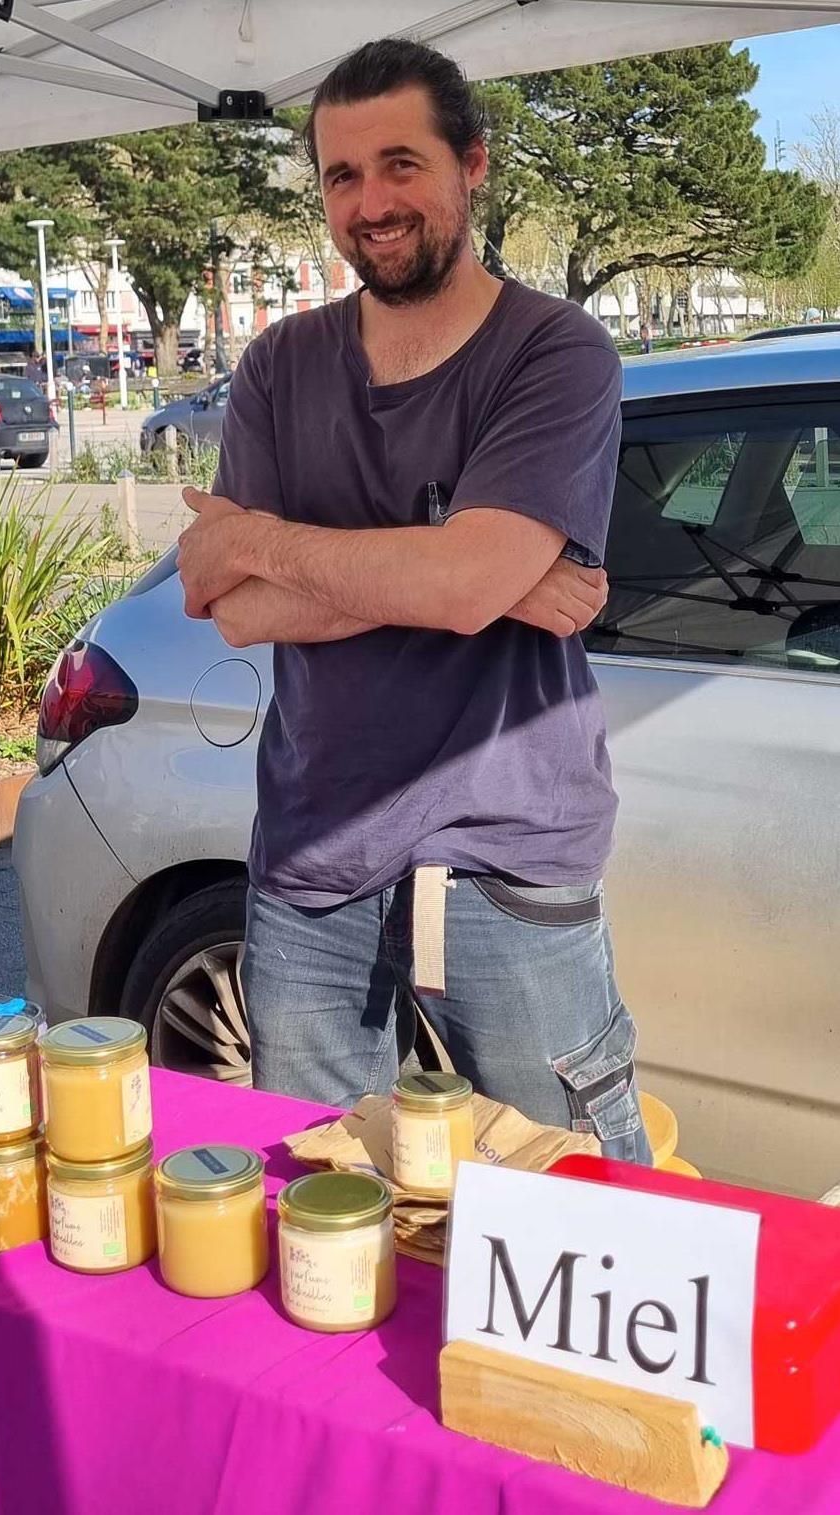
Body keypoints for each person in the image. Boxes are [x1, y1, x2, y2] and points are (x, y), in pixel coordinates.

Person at [175, 38, 650, 1162]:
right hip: (315, 848)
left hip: (509, 852)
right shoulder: (281, 363)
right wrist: (461, 576)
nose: (371, 203)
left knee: (567, 1204)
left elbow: (438, 584)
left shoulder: (555, 352)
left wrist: (273, 542)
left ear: (472, 164)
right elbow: (227, 601)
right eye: (342, 176)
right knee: (323, 1190)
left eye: (400, 164)